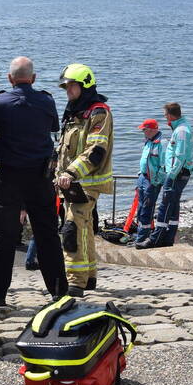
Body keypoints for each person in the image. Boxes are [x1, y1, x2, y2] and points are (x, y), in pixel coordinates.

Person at [0, 57, 68, 305]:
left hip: (8, 176)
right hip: (40, 177)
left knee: (4, 236)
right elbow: (53, 125)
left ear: (10, 79)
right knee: (47, 235)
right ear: (34, 78)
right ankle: (58, 292)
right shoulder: (46, 99)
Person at [54, 63, 114, 296]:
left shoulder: (99, 113)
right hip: (71, 183)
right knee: (85, 228)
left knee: (72, 228)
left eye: (72, 85)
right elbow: (63, 149)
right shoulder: (74, 112)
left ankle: (75, 283)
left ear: (84, 85)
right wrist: (56, 173)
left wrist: (71, 173)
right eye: (66, 86)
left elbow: (95, 151)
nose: (68, 90)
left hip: (86, 182)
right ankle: (89, 277)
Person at [137, 102, 193, 249]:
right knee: (173, 206)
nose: (165, 118)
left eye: (165, 115)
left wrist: (171, 175)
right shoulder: (181, 128)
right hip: (177, 173)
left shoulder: (181, 131)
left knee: (165, 205)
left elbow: (180, 156)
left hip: (176, 174)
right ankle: (168, 238)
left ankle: (155, 239)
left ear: (169, 115)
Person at [123, 118, 166, 245]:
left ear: (152, 130)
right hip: (143, 178)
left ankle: (142, 238)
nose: (143, 132)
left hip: (152, 181)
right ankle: (140, 237)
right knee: (141, 209)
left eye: (144, 129)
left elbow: (164, 166)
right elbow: (145, 160)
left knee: (147, 209)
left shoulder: (162, 144)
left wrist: (156, 181)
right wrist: (140, 174)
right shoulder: (148, 141)